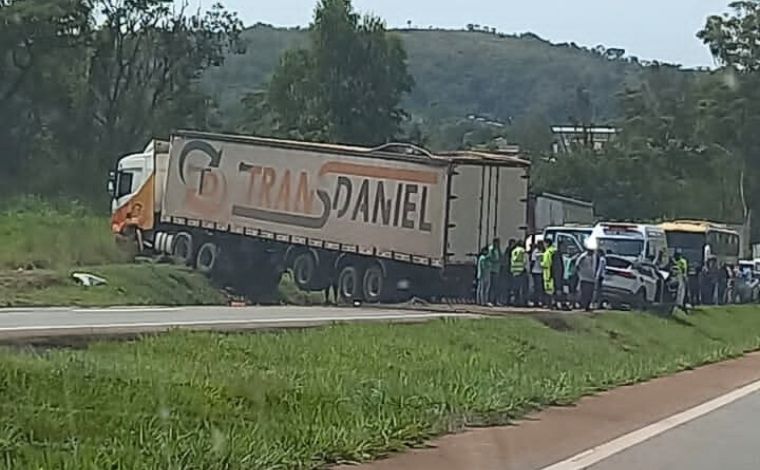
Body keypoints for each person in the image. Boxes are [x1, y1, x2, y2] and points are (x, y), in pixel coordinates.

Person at [575, 246, 597, 312]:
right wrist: (580, 274)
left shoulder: (594, 256)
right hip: (584, 278)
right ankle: (584, 306)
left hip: (592, 278)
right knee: (585, 293)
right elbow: (577, 265)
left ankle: (587, 306)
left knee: (590, 293)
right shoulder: (583, 256)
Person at [510, 241, 528, 307]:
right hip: (521, 271)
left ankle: (515, 302)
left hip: (514, 271)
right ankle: (522, 302)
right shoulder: (523, 251)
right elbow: (525, 261)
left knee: (515, 288)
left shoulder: (513, 251)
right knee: (522, 288)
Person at [542, 239, 557, 309]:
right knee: (552, 289)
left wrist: (541, 263)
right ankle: (553, 303)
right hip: (553, 272)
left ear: (547, 243)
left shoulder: (547, 252)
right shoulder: (554, 250)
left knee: (548, 290)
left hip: (548, 273)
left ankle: (550, 304)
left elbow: (546, 263)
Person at [530, 240, 545, 306]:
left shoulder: (543, 251)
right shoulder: (535, 252)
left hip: (542, 271)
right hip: (536, 271)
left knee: (541, 288)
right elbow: (532, 261)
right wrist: (531, 269)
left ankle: (541, 301)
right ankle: (536, 301)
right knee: (537, 287)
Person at [487, 238, 502, 306]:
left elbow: (501, 257)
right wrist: (496, 261)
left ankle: (495, 300)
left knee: (496, 286)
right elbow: (490, 258)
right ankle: (490, 300)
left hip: (497, 269)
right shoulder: (491, 249)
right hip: (492, 269)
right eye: (497, 242)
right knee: (491, 286)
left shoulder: (498, 249)